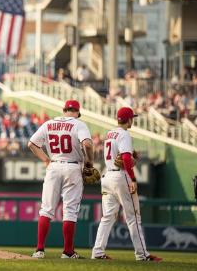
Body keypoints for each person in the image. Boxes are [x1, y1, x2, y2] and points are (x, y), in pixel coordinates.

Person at [92, 107, 162, 262]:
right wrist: (133, 179)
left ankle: (97, 252)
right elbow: (125, 158)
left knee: (107, 217)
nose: (133, 120)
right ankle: (142, 254)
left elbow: (122, 154)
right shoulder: (124, 134)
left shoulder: (110, 133)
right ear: (129, 119)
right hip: (120, 177)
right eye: (132, 118)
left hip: (107, 175)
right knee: (133, 217)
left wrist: (131, 155)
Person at [28, 100, 94, 259]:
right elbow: (88, 144)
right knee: (70, 211)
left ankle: (39, 250)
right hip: (72, 167)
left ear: (64, 110)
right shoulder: (79, 124)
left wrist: (46, 160)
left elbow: (31, 144)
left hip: (54, 166)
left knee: (46, 209)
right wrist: (89, 163)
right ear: (77, 112)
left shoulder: (49, 123)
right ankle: (68, 252)